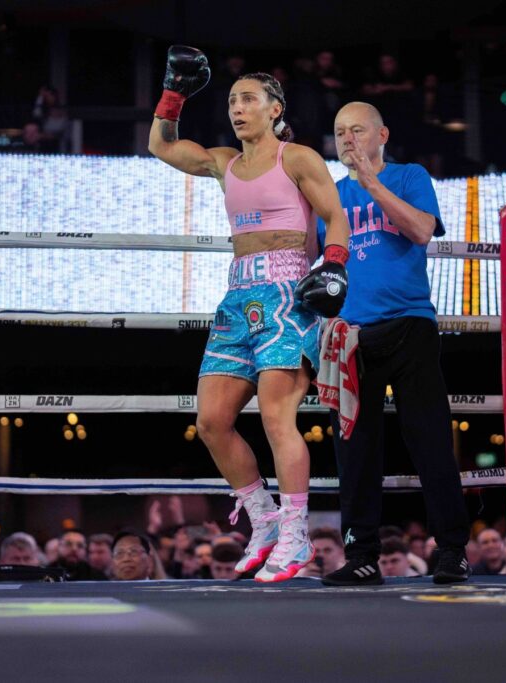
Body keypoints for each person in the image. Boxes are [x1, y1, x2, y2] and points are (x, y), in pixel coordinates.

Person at [148, 45, 352, 583]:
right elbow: (161, 146)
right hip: (238, 295)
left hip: (288, 292)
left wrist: (334, 264)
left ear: (274, 108)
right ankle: (263, 520)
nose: (237, 109)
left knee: (276, 417)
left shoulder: (298, 158)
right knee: (211, 422)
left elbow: (335, 216)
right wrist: (174, 94)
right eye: (232, 101)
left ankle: (296, 534)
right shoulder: (225, 163)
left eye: (248, 100)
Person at [314, 101, 470, 586]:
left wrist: (372, 184)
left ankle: (452, 550)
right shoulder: (329, 195)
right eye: (340, 131)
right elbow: (309, 257)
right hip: (351, 335)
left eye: (357, 130)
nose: (348, 139)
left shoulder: (408, 176)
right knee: (354, 452)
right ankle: (361, 555)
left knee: (430, 440)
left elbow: (422, 230)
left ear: (382, 135)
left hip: (409, 325)